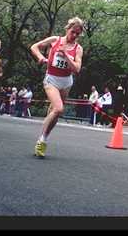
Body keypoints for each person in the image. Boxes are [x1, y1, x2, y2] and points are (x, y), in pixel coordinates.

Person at [29, 17, 85, 158]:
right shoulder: (55, 40)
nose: (74, 36)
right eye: (73, 32)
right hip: (52, 79)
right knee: (59, 109)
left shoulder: (78, 49)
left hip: (66, 82)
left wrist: (65, 55)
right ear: (67, 29)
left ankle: (44, 137)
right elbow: (34, 47)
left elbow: (77, 69)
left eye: (78, 34)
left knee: (54, 113)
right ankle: (42, 141)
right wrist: (40, 57)